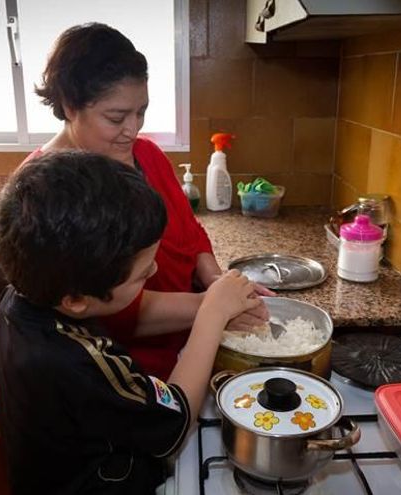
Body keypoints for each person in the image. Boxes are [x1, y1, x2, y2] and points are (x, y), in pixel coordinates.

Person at [0, 151, 261, 494]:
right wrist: (211, 312)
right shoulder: (79, 359)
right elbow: (174, 426)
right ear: (75, 300)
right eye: (141, 274)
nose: (155, 271)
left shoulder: (20, 300)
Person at [24, 22, 272, 380]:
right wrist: (213, 307)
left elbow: (189, 232)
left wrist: (216, 280)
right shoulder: (43, 190)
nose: (133, 128)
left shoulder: (148, 155)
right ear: (69, 105)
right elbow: (111, 309)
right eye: (116, 117)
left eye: (140, 111)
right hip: (128, 374)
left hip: (189, 346)